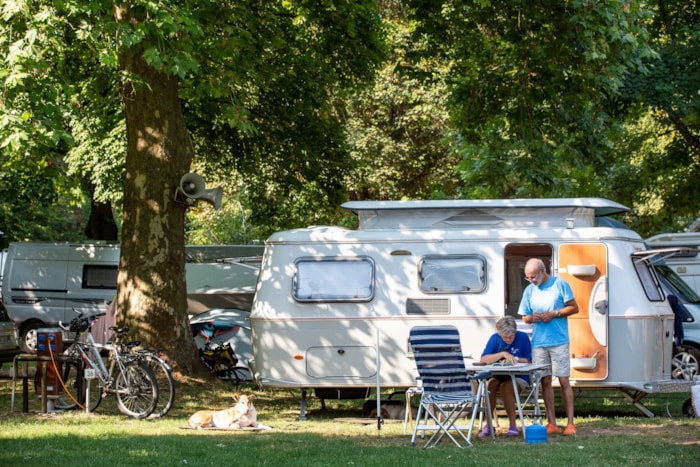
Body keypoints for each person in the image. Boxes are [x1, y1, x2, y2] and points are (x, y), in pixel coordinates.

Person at [519, 258, 579, 436]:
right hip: (539, 342)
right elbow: (525, 317)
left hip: (559, 340)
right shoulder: (530, 290)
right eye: (527, 277)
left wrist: (554, 313)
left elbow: (574, 308)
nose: (531, 280)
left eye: (533, 276)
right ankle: (552, 423)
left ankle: (570, 423)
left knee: (563, 381)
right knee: (545, 381)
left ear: (543, 271)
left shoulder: (560, 284)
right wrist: (533, 317)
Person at [477, 315, 532, 438]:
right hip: (499, 374)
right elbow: (484, 359)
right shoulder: (495, 338)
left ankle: (512, 425)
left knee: (507, 387)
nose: (508, 339)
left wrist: (515, 359)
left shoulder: (522, 338)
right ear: (499, 334)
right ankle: (488, 425)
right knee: (490, 386)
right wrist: (502, 354)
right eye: (505, 337)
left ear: (515, 332)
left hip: (519, 376)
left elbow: (529, 360)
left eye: (511, 336)